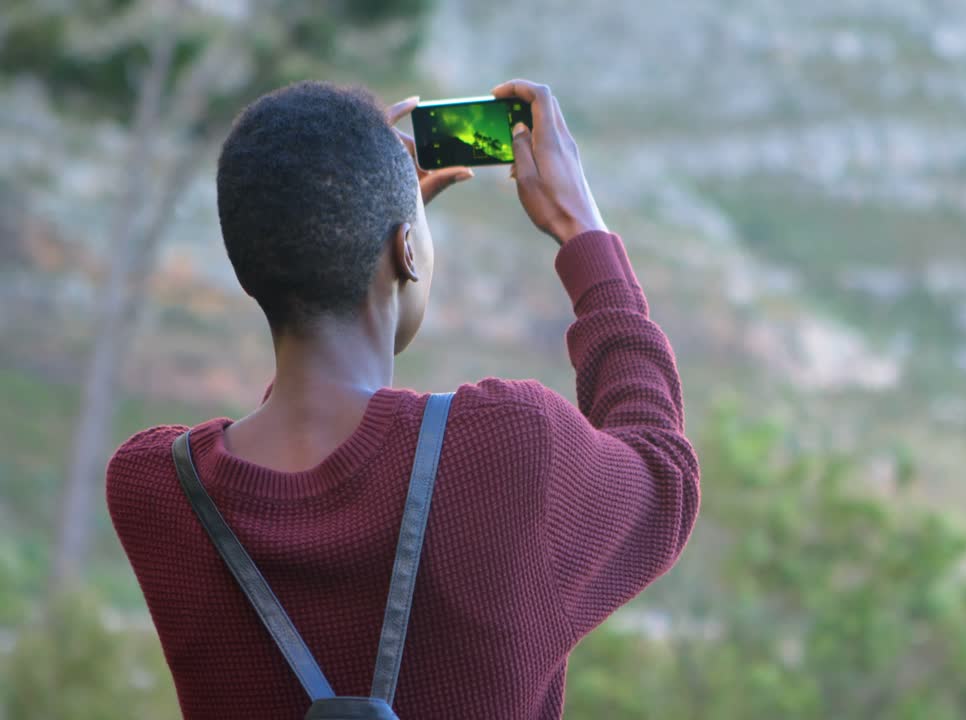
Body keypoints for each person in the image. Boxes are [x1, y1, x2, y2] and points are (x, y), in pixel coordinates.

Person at [105, 79, 700, 719]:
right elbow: (663, 471)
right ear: (408, 250)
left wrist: (362, 246)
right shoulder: (507, 445)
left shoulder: (156, 490)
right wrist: (585, 230)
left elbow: (297, 461)